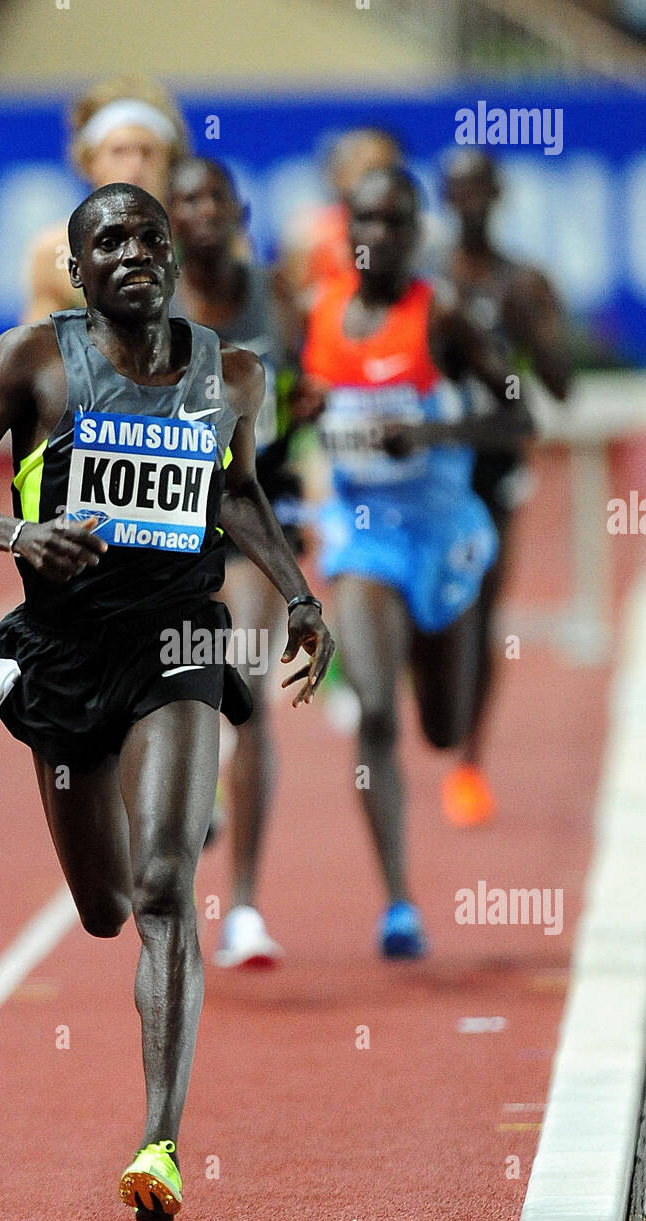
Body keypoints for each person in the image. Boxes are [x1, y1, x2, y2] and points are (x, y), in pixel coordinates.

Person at [0, 183, 334, 1221]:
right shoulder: (32, 360)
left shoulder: (230, 370)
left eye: (151, 235)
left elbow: (237, 490)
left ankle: (160, 1142)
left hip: (178, 639)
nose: (136, 250)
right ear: (79, 267)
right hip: (62, 654)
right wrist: (20, 537)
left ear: (172, 258)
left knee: (161, 887)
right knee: (103, 909)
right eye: (112, 239)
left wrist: (295, 592)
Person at [302, 167, 531, 959]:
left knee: (442, 727)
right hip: (365, 537)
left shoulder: (447, 316)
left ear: (416, 232)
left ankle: (448, 723)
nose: (380, 237)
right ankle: (398, 903)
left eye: (398, 222)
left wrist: (428, 437)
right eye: (367, 221)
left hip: (443, 539)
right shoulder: (320, 315)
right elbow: (294, 407)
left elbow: (519, 415)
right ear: (349, 230)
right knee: (372, 709)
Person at [168, 156, 309, 969]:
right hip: (175, 516)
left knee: (245, 679)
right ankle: (193, 798)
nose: (204, 210)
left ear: (240, 209)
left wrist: (307, 412)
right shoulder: (156, 306)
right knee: (179, 681)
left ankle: (246, 905)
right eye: (186, 199)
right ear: (170, 221)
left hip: (257, 507)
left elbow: (309, 393)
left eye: (216, 196)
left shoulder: (279, 297)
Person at [439, 149, 571, 826]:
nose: (469, 204)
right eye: (456, 192)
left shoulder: (524, 281)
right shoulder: (422, 278)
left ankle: (469, 761)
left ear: (498, 197)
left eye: (479, 192)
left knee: (481, 614)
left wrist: (531, 328)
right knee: (426, 610)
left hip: (491, 466)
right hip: (425, 469)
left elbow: (560, 386)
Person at [24, 77, 189, 321]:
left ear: (170, 163)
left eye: (147, 151)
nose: (135, 165)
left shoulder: (206, 242)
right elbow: (39, 349)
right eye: (119, 151)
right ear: (90, 162)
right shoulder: (55, 251)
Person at [279, 127, 403, 313]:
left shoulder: (423, 237)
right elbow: (289, 307)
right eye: (368, 170)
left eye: (386, 169)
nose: (378, 181)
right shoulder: (307, 235)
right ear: (340, 174)